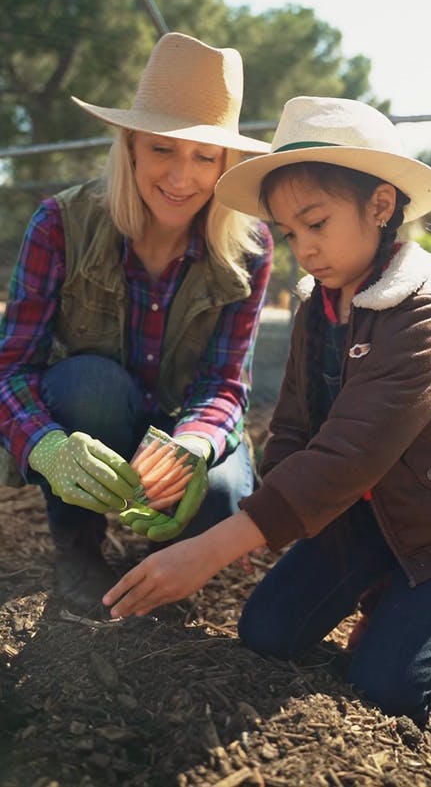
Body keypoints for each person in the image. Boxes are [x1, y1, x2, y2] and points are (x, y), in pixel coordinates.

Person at [102, 96, 431, 726]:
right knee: (266, 632)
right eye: (290, 233)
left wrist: (212, 549)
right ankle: (385, 584)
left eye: (316, 223)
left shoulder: (420, 315)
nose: (304, 249)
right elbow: (292, 426)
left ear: (381, 205)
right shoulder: (319, 307)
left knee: (386, 690)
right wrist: (266, 521)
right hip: (359, 516)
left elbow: (347, 456)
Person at [0, 32, 273, 613]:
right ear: (130, 148)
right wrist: (47, 447)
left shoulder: (249, 247)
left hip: (182, 420)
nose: (181, 177)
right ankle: (77, 545)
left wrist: (194, 444)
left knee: (221, 494)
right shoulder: (59, 224)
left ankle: (167, 549)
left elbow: (226, 383)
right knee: (86, 385)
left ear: (227, 165)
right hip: (95, 419)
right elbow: (11, 369)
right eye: (162, 150)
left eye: (205, 156)